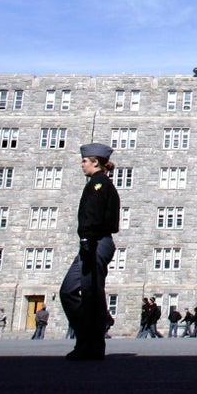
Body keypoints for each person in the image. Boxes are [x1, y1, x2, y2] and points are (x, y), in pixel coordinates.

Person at [60, 142, 121, 361]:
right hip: (94, 242)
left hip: (96, 242)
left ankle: (91, 342)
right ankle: (89, 335)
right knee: (73, 291)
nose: (82, 164)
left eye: (85, 161)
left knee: (91, 294)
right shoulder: (98, 183)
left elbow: (93, 215)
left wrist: (86, 238)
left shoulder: (99, 184)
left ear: (95, 162)